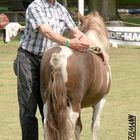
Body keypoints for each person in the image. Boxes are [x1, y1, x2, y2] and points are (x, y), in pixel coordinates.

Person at [14, 0, 95, 140]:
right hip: (28, 59)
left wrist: (99, 50)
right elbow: (46, 31)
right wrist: (69, 43)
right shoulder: (36, 6)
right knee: (28, 108)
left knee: (50, 108)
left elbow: (77, 33)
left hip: (50, 61)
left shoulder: (61, 9)